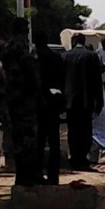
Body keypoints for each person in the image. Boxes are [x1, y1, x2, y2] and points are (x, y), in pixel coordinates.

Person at [0, 17, 42, 186]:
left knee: (18, 138)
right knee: (29, 139)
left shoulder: (7, 47)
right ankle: (29, 176)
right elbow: (30, 72)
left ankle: (22, 176)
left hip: (13, 98)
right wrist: (39, 94)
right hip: (25, 98)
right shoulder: (22, 47)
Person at [63, 32, 104, 171]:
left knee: (72, 130)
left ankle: (74, 158)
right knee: (85, 130)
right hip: (86, 101)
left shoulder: (65, 56)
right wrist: (100, 101)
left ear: (73, 42)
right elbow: (97, 81)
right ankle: (82, 159)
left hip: (69, 101)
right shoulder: (92, 56)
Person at [33, 29, 65, 184]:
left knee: (38, 142)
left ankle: (37, 173)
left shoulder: (33, 59)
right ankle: (54, 175)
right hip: (53, 103)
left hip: (37, 105)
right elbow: (62, 81)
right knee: (54, 141)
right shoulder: (55, 57)